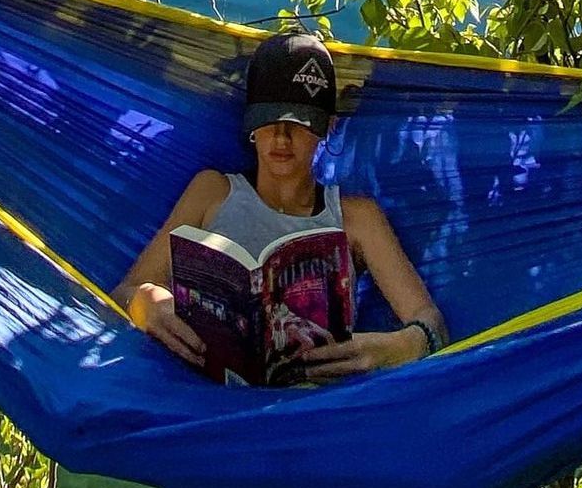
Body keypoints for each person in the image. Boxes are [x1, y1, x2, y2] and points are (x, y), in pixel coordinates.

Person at [113, 28, 447, 381]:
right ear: (251, 125)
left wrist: (396, 347)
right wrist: (146, 303)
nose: (282, 137)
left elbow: (430, 323)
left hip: (309, 412)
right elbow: (123, 292)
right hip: (205, 404)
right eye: (269, 121)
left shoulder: (357, 218)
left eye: (298, 124)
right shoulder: (211, 192)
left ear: (327, 127)